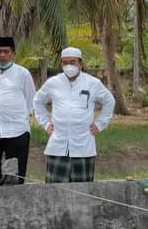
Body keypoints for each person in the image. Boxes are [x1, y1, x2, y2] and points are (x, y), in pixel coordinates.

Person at [33, 47, 115, 183]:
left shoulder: (92, 83)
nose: (69, 65)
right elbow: (38, 101)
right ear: (61, 64)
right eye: (65, 62)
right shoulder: (53, 83)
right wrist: (46, 123)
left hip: (83, 145)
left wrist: (100, 124)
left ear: (80, 63)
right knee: (55, 190)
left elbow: (109, 101)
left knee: (83, 190)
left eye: (72, 62)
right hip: (58, 146)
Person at [0, 36, 35, 186]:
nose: (2, 55)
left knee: (16, 174)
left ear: (13, 53)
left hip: (17, 129)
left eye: (6, 52)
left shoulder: (23, 73)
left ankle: (14, 202)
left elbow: (30, 99)